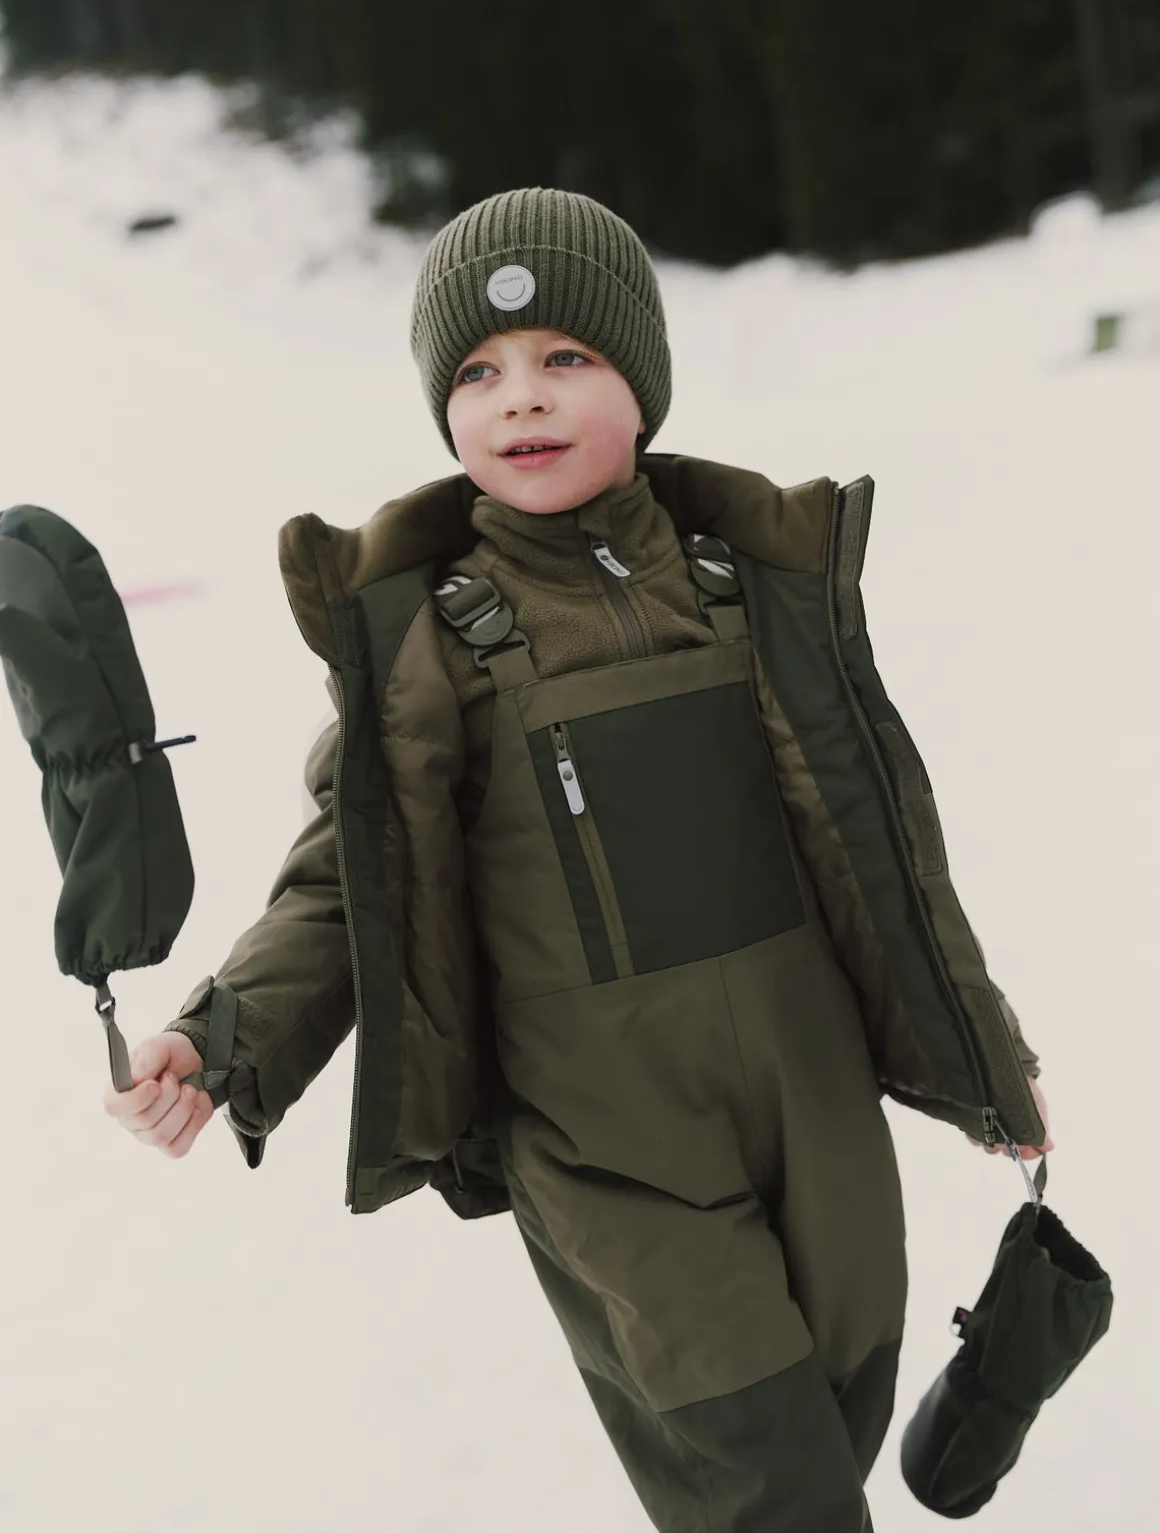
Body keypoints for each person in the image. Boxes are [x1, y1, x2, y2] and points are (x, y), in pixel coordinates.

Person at [104, 188, 1052, 1532]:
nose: (522, 397)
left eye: (566, 355)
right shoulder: (433, 646)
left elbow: (881, 848)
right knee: (764, 1481)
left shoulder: (750, 589)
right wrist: (225, 1037)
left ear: (642, 387)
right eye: (478, 373)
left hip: (818, 1104)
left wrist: (983, 1053)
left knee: (831, 1425)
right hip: (607, 1147)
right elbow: (341, 883)